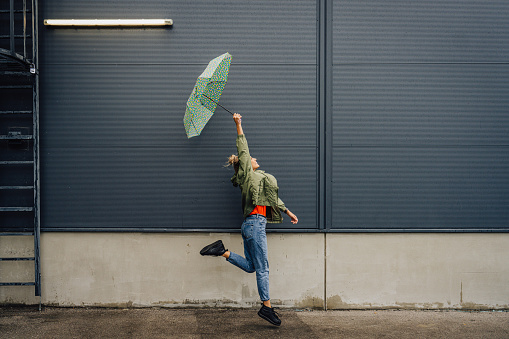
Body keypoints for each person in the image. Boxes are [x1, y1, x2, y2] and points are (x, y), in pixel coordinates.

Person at [200, 113, 298, 326]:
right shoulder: (247, 175)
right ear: (245, 165)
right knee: (263, 268)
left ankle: (222, 251)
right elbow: (243, 150)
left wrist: (287, 212)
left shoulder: (257, 180)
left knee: (253, 266)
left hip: (251, 226)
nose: (255, 159)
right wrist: (238, 124)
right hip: (254, 225)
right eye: (252, 159)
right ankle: (267, 307)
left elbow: (272, 198)